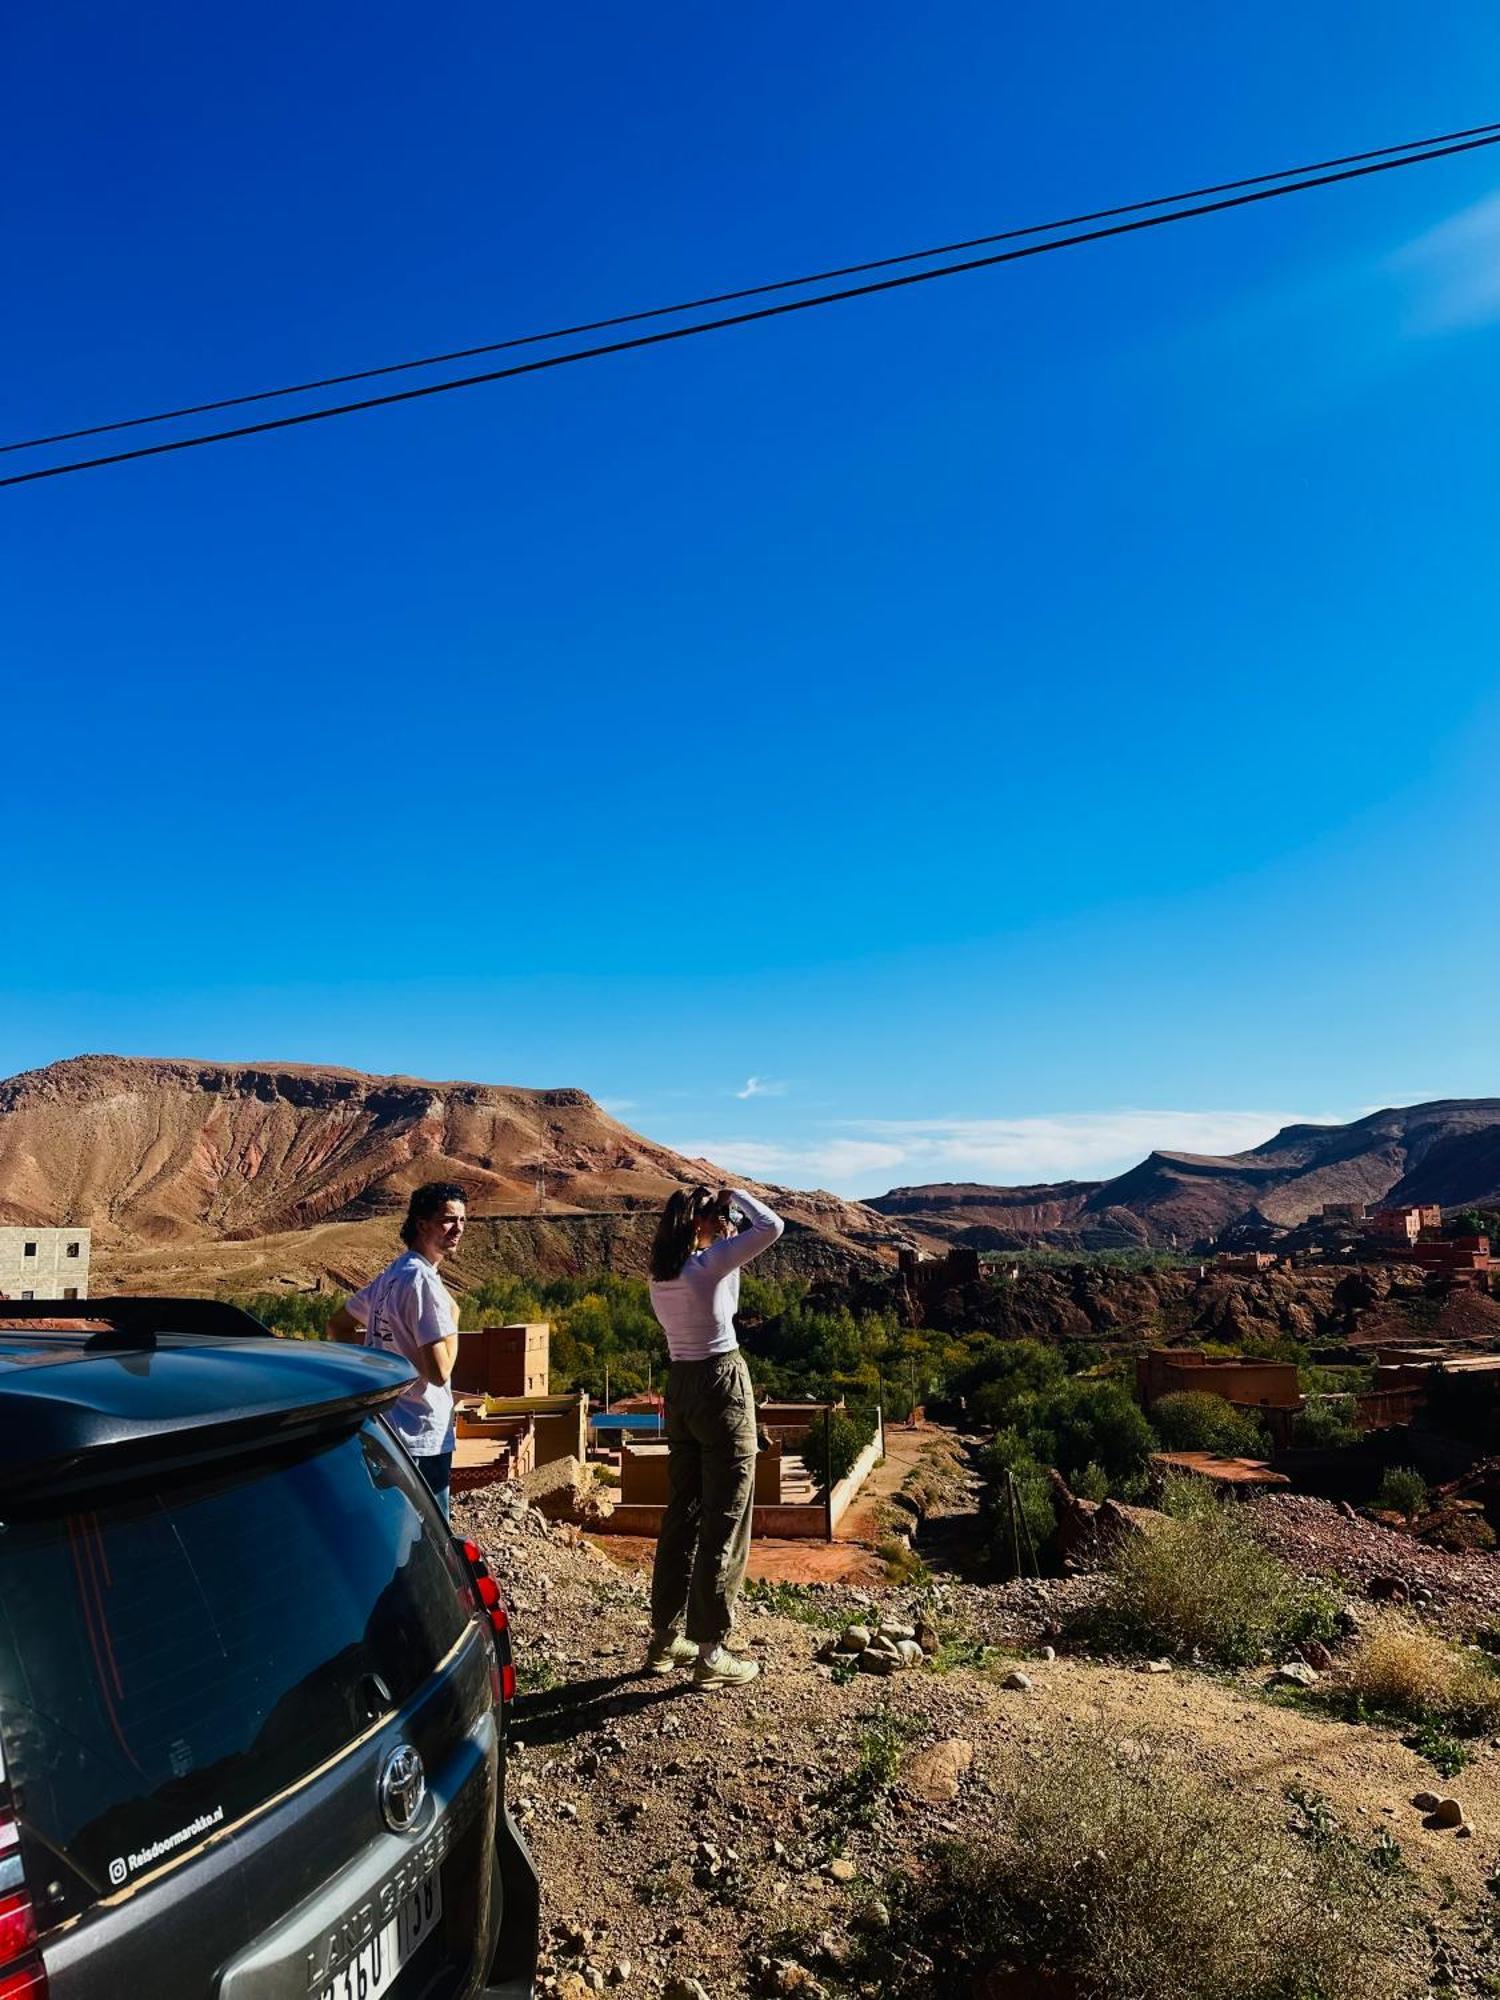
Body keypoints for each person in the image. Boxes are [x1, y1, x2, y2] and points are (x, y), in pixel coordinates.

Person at [644, 1183, 783, 1691]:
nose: (724, 1222)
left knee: (682, 1514)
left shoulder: (664, 1275)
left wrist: (721, 1218)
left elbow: (741, 1248)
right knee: (726, 1515)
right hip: (720, 1381)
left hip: (679, 1386)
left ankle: (664, 1640)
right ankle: (711, 1651)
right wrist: (737, 1194)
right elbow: (771, 1227)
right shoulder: (707, 1266)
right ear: (700, 1223)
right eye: (715, 1217)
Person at [327, 1181, 466, 1518]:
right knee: (428, 1541)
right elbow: (439, 1372)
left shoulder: (392, 1274)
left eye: (463, 1220)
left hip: (388, 1430)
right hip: (422, 1434)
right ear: (422, 1224)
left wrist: (368, 1375)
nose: (458, 1228)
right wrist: (454, 1318)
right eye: (448, 1219)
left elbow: (337, 1326)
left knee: (393, 1531)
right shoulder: (422, 1282)